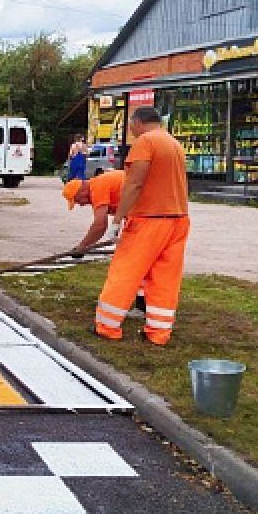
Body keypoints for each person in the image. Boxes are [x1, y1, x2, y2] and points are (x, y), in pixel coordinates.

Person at [94, 106, 189, 346]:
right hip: (177, 220)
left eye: (130, 125)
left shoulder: (146, 142)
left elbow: (134, 183)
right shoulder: (174, 144)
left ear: (137, 122)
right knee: (164, 278)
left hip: (149, 220)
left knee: (125, 271)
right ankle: (158, 333)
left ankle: (107, 326)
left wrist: (117, 221)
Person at [62, 168, 125, 255]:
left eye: (78, 200)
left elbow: (100, 225)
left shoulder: (96, 188)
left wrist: (81, 247)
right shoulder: (97, 185)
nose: (81, 204)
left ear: (82, 192)